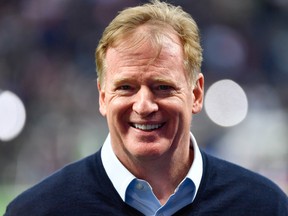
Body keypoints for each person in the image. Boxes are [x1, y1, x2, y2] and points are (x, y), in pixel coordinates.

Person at [5, 0, 288, 215]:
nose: (144, 105)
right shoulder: (35, 211)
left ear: (196, 93)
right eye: (126, 87)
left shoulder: (265, 206)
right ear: (103, 97)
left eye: (162, 87)